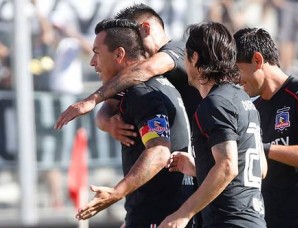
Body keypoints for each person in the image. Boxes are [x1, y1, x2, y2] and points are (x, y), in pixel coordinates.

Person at [75, 18, 195, 228]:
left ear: (119, 55)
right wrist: (105, 121)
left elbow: (159, 152)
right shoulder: (160, 84)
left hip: (156, 218)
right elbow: (107, 109)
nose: (92, 62)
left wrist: (116, 193)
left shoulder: (142, 92)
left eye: (97, 53)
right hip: (158, 215)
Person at [155, 22, 270, 228]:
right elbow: (259, 169)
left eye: (186, 56)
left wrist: (182, 214)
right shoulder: (244, 100)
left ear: (195, 58)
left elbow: (228, 166)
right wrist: (201, 168)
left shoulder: (215, 104)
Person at [234, 27, 298, 228]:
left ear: (257, 60)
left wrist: (263, 149)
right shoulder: (253, 109)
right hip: (266, 227)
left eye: (237, 70)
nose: (236, 79)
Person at [54, 3, 201, 132]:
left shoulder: (177, 49)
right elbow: (110, 104)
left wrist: (92, 99)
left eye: (133, 36)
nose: (132, 43)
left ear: (146, 28)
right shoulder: (138, 71)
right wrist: (107, 122)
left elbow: (147, 69)